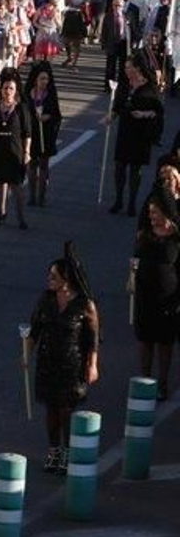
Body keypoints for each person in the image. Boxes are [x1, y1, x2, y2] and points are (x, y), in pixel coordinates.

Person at [26, 244, 101, 474]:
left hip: (72, 364)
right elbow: (34, 329)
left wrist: (92, 365)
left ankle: (68, 451)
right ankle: (54, 450)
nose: (49, 280)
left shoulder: (84, 304)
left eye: (54, 276)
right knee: (51, 408)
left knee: (66, 410)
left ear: (66, 280)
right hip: (48, 361)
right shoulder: (46, 299)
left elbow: (92, 338)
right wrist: (26, 353)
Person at [132, 193, 180, 400]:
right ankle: (145, 381)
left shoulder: (176, 238)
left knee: (165, 342)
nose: (151, 216)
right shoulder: (145, 235)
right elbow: (136, 259)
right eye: (150, 212)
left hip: (168, 300)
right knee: (146, 340)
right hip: (145, 296)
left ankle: (163, 383)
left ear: (166, 212)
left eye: (155, 212)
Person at [109, 51, 167, 216]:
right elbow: (117, 107)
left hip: (140, 133)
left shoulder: (150, 87)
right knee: (119, 166)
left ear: (138, 68)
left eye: (129, 67)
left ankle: (132, 203)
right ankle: (118, 200)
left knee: (135, 168)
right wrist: (110, 117)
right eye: (125, 67)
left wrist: (144, 114)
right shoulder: (124, 85)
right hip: (125, 130)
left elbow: (158, 112)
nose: (126, 70)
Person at [0, 69, 34, 230]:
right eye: (5, 88)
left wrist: (27, 152)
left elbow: (27, 132)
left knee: (16, 186)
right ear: (1, 90)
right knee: (0, 183)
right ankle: (1, 213)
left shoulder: (21, 109)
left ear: (16, 91)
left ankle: (21, 217)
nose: (8, 91)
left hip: (15, 151)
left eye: (11, 88)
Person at [23, 60, 64, 207]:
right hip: (32, 132)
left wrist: (48, 117)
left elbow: (57, 115)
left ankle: (42, 196)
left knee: (44, 165)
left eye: (47, 78)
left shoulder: (51, 94)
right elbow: (22, 112)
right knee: (32, 164)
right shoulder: (28, 93)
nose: (45, 82)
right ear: (35, 79)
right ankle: (31, 196)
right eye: (42, 78)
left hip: (46, 133)